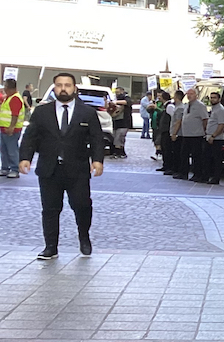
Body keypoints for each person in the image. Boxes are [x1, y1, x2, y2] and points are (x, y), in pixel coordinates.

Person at [18, 72, 104, 259]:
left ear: (74, 88)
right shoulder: (42, 112)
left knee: (82, 205)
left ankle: (84, 236)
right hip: (50, 169)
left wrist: (97, 160)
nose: (63, 88)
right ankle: (50, 246)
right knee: (50, 208)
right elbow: (30, 137)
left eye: (67, 85)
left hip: (78, 169)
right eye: (59, 85)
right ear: (54, 88)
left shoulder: (87, 112)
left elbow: (97, 138)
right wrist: (25, 157)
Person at [174, 88, 207, 182]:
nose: (189, 95)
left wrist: (204, 131)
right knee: (184, 154)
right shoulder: (186, 105)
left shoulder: (200, 106)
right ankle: (183, 173)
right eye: (188, 94)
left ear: (196, 95)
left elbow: (205, 119)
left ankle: (197, 174)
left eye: (191, 94)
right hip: (186, 134)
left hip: (196, 134)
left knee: (196, 155)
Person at [1, 78, 27, 178]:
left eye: (5, 86)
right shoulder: (8, 97)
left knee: (12, 150)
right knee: (4, 150)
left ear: (9, 88)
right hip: (4, 129)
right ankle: (5, 168)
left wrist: (11, 127)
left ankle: (14, 169)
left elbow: (15, 115)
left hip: (11, 130)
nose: (4, 89)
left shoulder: (15, 98)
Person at [203, 91, 224, 184]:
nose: (212, 99)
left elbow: (221, 125)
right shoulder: (213, 109)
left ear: (219, 99)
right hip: (209, 137)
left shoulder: (220, 110)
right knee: (207, 158)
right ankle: (206, 176)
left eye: (214, 97)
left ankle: (216, 178)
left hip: (216, 139)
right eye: (211, 97)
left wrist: (213, 136)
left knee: (216, 159)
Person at [111, 86, 132, 159]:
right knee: (117, 137)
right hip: (116, 121)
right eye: (116, 93)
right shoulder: (115, 99)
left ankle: (117, 152)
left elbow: (127, 102)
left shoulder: (126, 98)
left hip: (124, 122)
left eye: (118, 92)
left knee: (119, 137)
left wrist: (116, 102)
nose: (117, 94)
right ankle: (121, 152)